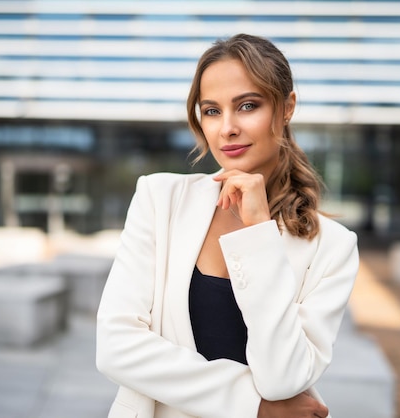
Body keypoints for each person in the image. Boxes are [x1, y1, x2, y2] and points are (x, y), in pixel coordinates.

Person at [96, 33, 359, 418]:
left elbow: (283, 379)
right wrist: (253, 406)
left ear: (287, 108)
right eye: (212, 111)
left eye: (247, 106)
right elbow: (115, 348)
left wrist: (258, 234)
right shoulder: (160, 198)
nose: (227, 128)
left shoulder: (332, 246)